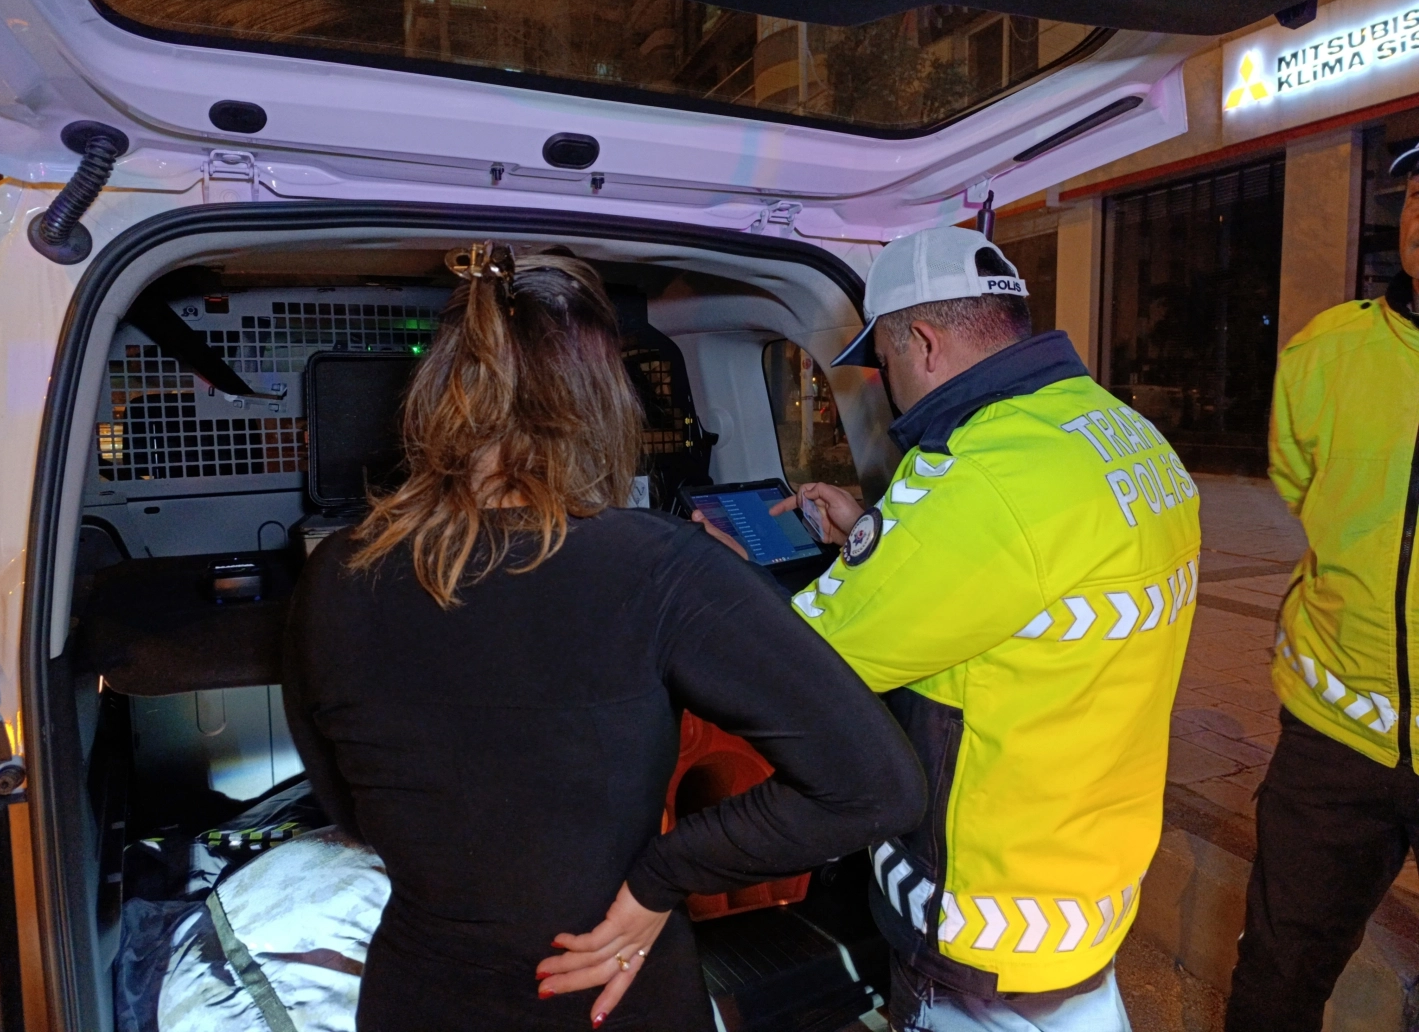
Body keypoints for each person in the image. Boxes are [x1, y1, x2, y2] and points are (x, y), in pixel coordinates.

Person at [282, 243, 926, 1032]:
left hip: (415, 996)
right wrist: (661, 877)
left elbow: (350, 811)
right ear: (600, 401)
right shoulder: (660, 565)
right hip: (610, 993)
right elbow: (875, 787)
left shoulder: (335, 571)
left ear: (440, 392)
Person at [697, 227, 1201, 1031]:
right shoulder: (1118, 433)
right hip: (1082, 885)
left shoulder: (977, 477)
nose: (888, 387)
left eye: (882, 362)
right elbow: (1011, 585)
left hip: (983, 912)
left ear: (923, 344)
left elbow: (802, 668)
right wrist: (872, 533)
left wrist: (723, 571)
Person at [1224, 146, 1419, 1031]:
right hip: (1332, 737)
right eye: (1415, 195)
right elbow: (1297, 480)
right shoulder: (1328, 350)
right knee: (1276, 975)